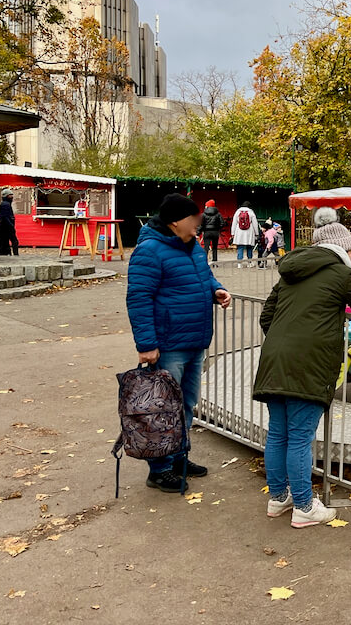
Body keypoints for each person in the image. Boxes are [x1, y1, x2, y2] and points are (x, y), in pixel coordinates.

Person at [252, 217, 351, 527]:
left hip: (275, 359)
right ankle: (305, 507)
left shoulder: (290, 272)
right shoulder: (340, 273)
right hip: (309, 363)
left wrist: (287, 338)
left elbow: (267, 316)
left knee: (278, 433)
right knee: (300, 438)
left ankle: (279, 498)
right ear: (344, 247)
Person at [126, 193, 232, 493]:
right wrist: (146, 344)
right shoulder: (150, 251)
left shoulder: (193, 247)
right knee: (162, 408)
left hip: (195, 339)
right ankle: (159, 469)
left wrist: (217, 290)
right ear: (175, 222)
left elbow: (203, 277)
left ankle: (178, 458)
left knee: (185, 404)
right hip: (169, 343)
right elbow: (139, 299)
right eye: (193, 218)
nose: (198, 223)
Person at [0, 188, 18, 256]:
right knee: (14, 241)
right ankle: (15, 254)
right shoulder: (5, 204)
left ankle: (7, 253)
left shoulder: (5, 204)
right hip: (7, 226)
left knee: (5, 241)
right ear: (6, 196)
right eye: (10, 195)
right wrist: (11, 225)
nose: (12, 196)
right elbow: (5, 217)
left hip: (5, 226)